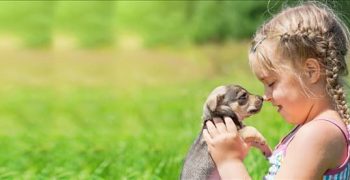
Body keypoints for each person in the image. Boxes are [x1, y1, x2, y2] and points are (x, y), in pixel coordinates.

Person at [203, 2, 350, 179]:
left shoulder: (317, 134)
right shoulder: (317, 129)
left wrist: (229, 161)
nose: (265, 96)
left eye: (271, 83)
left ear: (311, 71)